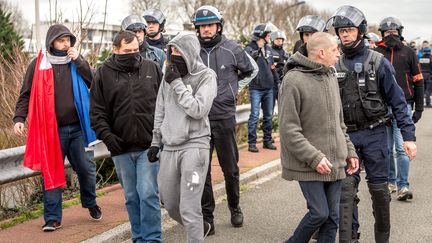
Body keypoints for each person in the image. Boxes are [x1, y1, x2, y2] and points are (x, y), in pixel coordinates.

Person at [328, 6, 417, 242]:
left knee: (379, 193)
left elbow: (398, 101)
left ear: (361, 31)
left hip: (376, 133)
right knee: (345, 193)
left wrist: (408, 137)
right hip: (347, 138)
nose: (344, 35)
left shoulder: (378, 62)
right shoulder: (333, 63)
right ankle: (349, 238)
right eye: (341, 31)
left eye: (349, 30)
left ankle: (382, 238)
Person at [13, 24, 101, 232]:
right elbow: (26, 94)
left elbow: (95, 81)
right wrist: (19, 118)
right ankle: (52, 218)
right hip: (51, 131)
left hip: (78, 129)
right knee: (50, 172)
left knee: (87, 170)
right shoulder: (38, 64)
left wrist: (79, 60)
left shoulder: (76, 62)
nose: (66, 44)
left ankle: (90, 202)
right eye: (61, 40)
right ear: (51, 42)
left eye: (68, 40)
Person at [280, 31, 359, 243]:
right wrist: (315, 158)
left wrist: (349, 151)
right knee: (319, 213)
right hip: (309, 165)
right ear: (321, 52)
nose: (339, 54)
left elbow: (339, 122)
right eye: (335, 49)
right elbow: (289, 130)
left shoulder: (331, 75)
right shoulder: (292, 80)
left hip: (335, 163)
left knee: (332, 218)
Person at [90, 30, 163, 243]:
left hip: (149, 146)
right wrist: (108, 137)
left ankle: (152, 239)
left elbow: (164, 105)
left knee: (148, 194)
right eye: (126, 51)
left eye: (135, 50)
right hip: (120, 148)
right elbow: (96, 112)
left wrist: (159, 138)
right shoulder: (103, 74)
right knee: (132, 197)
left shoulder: (152, 68)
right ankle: (138, 237)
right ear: (115, 49)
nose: (132, 54)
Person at [191, 5, 258, 235]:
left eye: (210, 25)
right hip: (199, 120)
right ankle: (207, 218)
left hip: (224, 117)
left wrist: (234, 89)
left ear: (218, 26)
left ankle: (234, 206)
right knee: (203, 170)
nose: (206, 30)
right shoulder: (192, 50)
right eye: (201, 26)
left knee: (230, 168)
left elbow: (251, 71)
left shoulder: (233, 49)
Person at [147, 32, 217, 243]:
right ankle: (200, 226)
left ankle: (195, 231)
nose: (174, 54)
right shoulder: (169, 76)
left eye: (178, 50)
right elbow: (160, 109)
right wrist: (155, 141)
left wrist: (177, 83)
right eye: (172, 50)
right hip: (169, 146)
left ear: (190, 51)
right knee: (170, 204)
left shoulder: (206, 76)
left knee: (189, 207)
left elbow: (198, 109)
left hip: (195, 147)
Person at [375, 16, 424, 201]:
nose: (390, 35)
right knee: (386, 149)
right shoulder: (377, 53)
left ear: (400, 33)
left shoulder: (409, 52)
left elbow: (418, 81)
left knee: (401, 148)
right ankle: (391, 182)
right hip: (382, 107)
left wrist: (419, 108)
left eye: (394, 32)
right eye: (387, 32)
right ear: (382, 34)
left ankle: (403, 186)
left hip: (404, 106)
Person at [245, 23, 279, 153]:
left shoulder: (269, 49)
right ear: (261, 35)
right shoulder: (249, 49)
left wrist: (277, 82)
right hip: (256, 88)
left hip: (269, 87)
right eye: (268, 34)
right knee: (254, 115)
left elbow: (272, 67)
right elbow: (245, 66)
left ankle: (267, 141)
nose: (270, 37)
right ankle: (252, 143)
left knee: (268, 116)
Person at [270, 30, 289, 107]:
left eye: (280, 39)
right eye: (277, 39)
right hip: (272, 83)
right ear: (273, 40)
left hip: (282, 83)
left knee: (283, 106)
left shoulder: (286, 54)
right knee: (270, 107)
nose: (279, 41)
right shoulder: (269, 52)